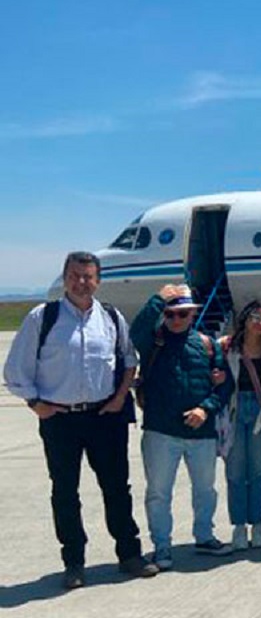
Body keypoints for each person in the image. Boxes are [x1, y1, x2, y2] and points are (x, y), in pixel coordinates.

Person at [3, 252, 157, 588]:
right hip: (60, 419)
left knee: (117, 488)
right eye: (74, 276)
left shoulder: (111, 317)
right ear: (64, 278)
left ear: (98, 281)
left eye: (88, 276)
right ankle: (73, 562)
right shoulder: (43, 318)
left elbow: (129, 359)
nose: (81, 282)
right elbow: (15, 369)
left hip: (105, 417)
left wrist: (119, 398)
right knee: (65, 492)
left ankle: (129, 554)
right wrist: (35, 403)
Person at [130, 284, 234, 569]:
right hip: (160, 432)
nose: (176, 319)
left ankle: (205, 537)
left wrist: (205, 409)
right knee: (159, 492)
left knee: (206, 490)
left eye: (183, 314)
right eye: (170, 314)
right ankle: (162, 546)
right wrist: (158, 299)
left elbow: (225, 386)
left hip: (201, 433)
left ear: (193, 315)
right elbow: (136, 330)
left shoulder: (207, 345)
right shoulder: (152, 343)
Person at [219, 300, 261, 551]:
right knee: (235, 472)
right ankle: (239, 526)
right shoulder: (227, 347)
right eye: (256, 317)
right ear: (245, 318)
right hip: (233, 410)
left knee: (258, 470)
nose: (260, 323)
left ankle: (258, 523)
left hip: (259, 411)